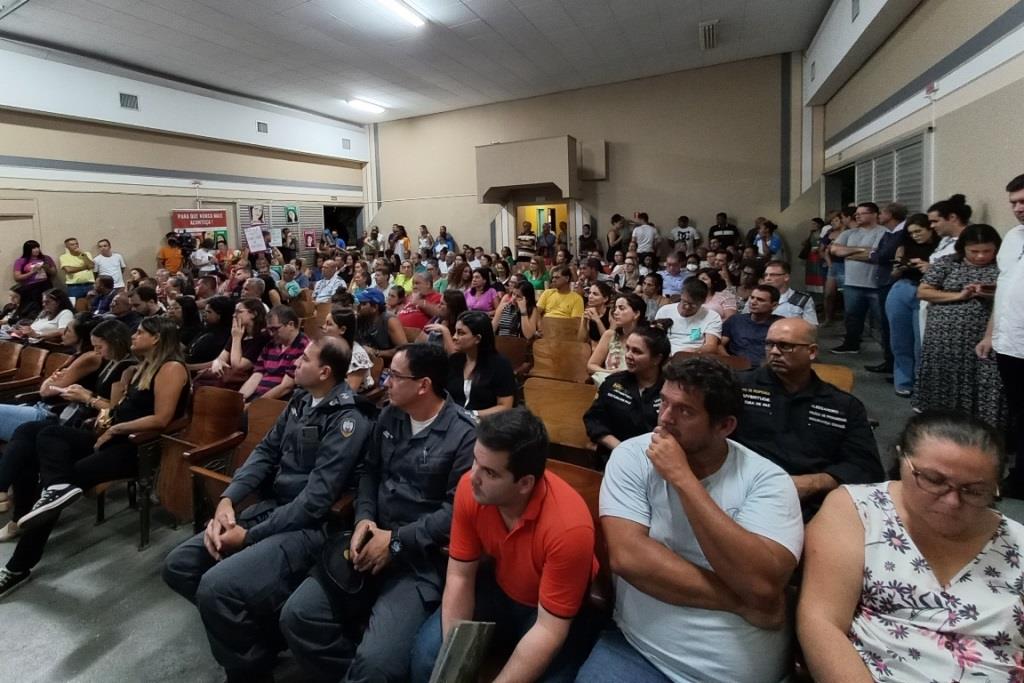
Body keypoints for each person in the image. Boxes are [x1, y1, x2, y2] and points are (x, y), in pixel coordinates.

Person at [577, 356, 803, 682]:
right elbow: (629, 558)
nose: (665, 418)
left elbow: (761, 585)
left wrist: (683, 479)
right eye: (664, 402)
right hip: (641, 650)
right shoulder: (632, 456)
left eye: (685, 411)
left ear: (725, 426)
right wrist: (741, 603)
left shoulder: (766, 480)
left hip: (736, 671)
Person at [163, 336, 372, 681]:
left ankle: (250, 671)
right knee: (180, 565)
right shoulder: (300, 401)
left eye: (304, 359)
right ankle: (260, 642)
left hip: (307, 527)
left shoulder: (348, 419)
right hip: (271, 509)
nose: (296, 363)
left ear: (324, 371)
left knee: (216, 588)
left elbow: (315, 501)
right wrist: (227, 502)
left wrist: (248, 537)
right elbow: (264, 454)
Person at [279, 343, 477, 682]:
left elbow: (455, 512)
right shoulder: (390, 414)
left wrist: (395, 541)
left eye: (395, 376)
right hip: (368, 540)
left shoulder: (463, 435)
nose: (384, 381)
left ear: (423, 385)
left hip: (416, 560)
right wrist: (364, 519)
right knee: (297, 616)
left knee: (376, 663)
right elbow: (370, 473)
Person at [797, 412, 1022, 682]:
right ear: (901, 459)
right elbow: (822, 621)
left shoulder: (1016, 543)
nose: (952, 502)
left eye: (974, 491)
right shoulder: (861, 511)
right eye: (934, 480)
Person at [2, 317, 189, 591]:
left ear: (157, 338)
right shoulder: (141, 368)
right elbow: (117, 409)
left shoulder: (171, 368)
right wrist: (107, 418)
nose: (133, 336)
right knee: (41, 433)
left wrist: (116, 428)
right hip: (111, 435)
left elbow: (161, 419)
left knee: (66, 478)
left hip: (135, 446)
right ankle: (46, 491)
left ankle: (17, 567)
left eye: (139, 332)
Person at [410, 408, 598, 682]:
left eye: (489, 472)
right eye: (475, 461)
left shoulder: (569, 528)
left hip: (552, 613)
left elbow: (549, 630)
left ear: (524, 484)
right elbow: (460, 576)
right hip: (500, 590)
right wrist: (455, 658)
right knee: (431, 658)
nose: (473, 476)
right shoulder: (471, 488)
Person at [733, 319, 883, 518]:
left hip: (812, 503)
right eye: (769, 344)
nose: (774, 352)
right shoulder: (739, 388)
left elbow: (866, 467)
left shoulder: (842, 405)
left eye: (785, 346)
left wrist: (815, 483)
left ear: (812, 352)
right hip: (743, 494)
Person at [914, 224, 1006, 429]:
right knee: (945, 377)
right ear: (963, 248)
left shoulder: (1003, 266)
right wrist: (959, 295)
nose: (981, 256)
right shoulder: (947, 263)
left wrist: (990, 293)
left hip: (983, 336)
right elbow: (924, 292)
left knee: (982, 379)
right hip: (945, 338)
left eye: (987, 251)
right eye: (974, 251)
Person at [978, 173, 1024, 493]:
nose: (1018, 208)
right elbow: (1005, 289)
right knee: (1019, 413)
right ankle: (1020, 477)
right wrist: (989, 334)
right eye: (1013, 203)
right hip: (1010, 342)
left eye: (1023, 201)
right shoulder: (1013, 237)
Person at [584, 323, 670, 464]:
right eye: (628, 349)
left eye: (637, 351)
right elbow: (593, 421)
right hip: (613, 457)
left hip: (655, 461)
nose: (628, 356)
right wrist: (621, 448)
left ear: (657, 359)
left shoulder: (670, 389)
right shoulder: (613, 382)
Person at [884, 214, 938, 397]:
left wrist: (928, 266)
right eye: (911, 232)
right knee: (900, 340)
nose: (915, 235)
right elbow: (894, 274)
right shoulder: (905, 246)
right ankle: (903, 381)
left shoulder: (941, 248)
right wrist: (901, 266)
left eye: (919, 231)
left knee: (920, 341)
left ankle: (921, 381)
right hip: (902, 288)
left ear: (930, 228)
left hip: (926, 292)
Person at [830, 202, 887, 354]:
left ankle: (888, 353)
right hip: (852, 282)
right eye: (857, 213)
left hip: (874, 284)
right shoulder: (849, 233)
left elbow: (875, 255)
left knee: (882, 319)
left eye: (862, 213)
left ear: (874, 214)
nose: (857, 215)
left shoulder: (883, 232)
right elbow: (835, 250)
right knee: (852, 317)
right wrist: (861, 250)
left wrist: (848, 252)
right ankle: (851, 344)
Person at [435, 311, 515, 419]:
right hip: (453, 421)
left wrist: (471, 414)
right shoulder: (455, 360)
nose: (454, 337)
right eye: (455, 332)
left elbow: (505, 406)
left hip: (487, 424)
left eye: (461, 333)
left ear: (477, 339)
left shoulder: (500, 365)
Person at [238, 305, 310, 401]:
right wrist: (240, 399)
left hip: (278, 402)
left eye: (275, 329)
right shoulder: (271, 344)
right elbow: (257, 374)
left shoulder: (303, 346)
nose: (271, 334)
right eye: (269, 329)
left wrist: (254, 405)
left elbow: (286, 387)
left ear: (291, 325)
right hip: (258, 397)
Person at [196, 298, 269, 390]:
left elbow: (237, 365)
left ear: (254, 314)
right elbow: (221, 357)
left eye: (239, 312)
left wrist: (236, 338)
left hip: (245, 382)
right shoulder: (238, 332)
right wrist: (217, 363)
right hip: (227, 378)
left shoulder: (262, 338)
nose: (234, 315)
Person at [588, 293, 645, 386]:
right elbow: (591, 366)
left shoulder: (646, 339)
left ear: (636, 313)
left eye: (621, 308)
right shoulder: (610, 335)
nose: (615, 312)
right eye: (615, 308)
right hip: (608, 382)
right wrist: (610, 372)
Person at [655, 277, 722, 355]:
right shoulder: (665, 311)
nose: (687, 307)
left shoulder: (712, 316)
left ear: (703, 302)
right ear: (681, 295)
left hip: (694, 356)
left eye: (693, 304)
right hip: (666, 354)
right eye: (685, 302)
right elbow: (656, 337)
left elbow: (711, 346)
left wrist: (693, 352)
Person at [720, 284, 782, 365]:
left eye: (760, 300)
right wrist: (730, 361)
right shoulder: (735, 320)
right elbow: (719, 345)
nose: (753, 302)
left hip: (765, 369)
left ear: (774, 305)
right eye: (752, 298)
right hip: (735, 368)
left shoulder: (780, 325)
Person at [321, 306, 375, 393]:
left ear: (342, 330)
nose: (324, 327)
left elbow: (349, 392)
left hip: (355, 398)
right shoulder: (331, 347)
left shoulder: (357, 356)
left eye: (329, 324)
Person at [355, 288, 405, 360]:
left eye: (363, 304)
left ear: (374, 307)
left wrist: (377, 352)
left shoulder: (390, 320)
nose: (358, 307)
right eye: (359, 303)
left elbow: (404, 350)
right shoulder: (360, 317)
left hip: (385, 364)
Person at [186, 296, 234, 365]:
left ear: (220, 315)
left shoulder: (221, 337)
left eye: (209, 312)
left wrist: (187, 368)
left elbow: (214, 363)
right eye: (205, 311)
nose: (204, 314)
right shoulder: (206, 329)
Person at [13, 240, 56, 310]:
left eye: (37, 247)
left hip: (46, 285)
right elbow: (17, 277)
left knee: (48, 304)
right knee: (34, 307)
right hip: (30, 287)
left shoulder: (46, 258)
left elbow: (54, 273)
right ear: (28, 250)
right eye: (33, 248)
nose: (37, 250)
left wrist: (47, 268)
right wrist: (32, 272)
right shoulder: (21, 261)